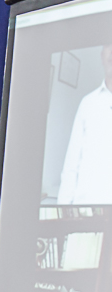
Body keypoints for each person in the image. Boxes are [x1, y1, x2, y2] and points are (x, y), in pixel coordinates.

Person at [57, 43, 112, 204]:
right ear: (102, 55)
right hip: (86, 210)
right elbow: (71, 164)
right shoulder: (87, 103)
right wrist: (63, 207)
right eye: (108, 44)